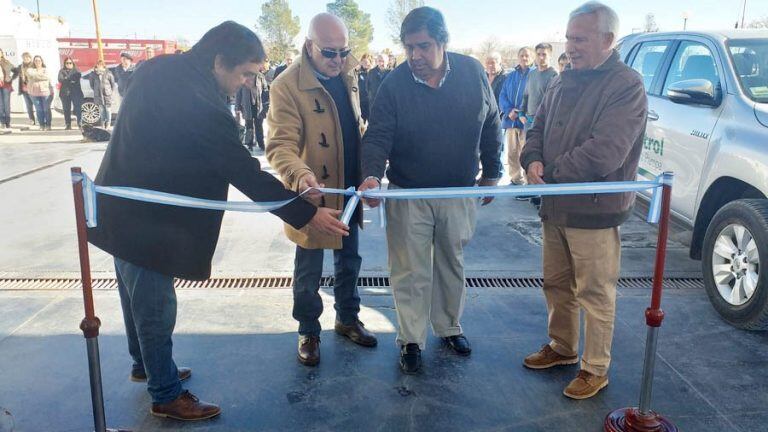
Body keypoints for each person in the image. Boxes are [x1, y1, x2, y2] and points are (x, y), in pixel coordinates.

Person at [87, 21, 346, 421]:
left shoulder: (158, 69)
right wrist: (307, 214)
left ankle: (147, 366)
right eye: (243, 73)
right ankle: (166, 393)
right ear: (218, 61)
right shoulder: (201, 104)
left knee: (133, 296)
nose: (245, 84)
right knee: (155, 307)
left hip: (119, 209)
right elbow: (243, 171)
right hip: (148, 223)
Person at [359, 6, 502, 375]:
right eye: (409, 48)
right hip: (409, 195)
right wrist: (373, 176)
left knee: (451, 264)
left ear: (442, 42)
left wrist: (492, 171)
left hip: (458, 193)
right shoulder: (394, 84)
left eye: (423, 46)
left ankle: (449, 327)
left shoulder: (471, 73)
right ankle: (410, 338)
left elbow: (491, 123)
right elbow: (377, 136)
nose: (415, 56)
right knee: (409, 269)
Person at [519, 1, 647, 400]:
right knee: (557, 284)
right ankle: (562, 347)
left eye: (579, 39)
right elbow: (536, 126)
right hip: (556, 206)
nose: (570, 46)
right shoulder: (561, 79)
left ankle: (595, 367)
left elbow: (606, 151)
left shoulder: (625, 85)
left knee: (595, 291)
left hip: (594, 210)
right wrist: (531, 157)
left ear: (608, 40)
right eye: (568, 38)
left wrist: (550, 172)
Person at [267, 13, 377, 367]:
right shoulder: (286, 85)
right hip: (313, 194)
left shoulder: (349, 75)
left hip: (349, 190)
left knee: (350, 260)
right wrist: (299, 176)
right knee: (308, 269)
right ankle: (308, 330)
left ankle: (347, 318)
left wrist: (370, 173)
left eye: (345, 52)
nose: (339, 60)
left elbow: (358, 128)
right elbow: (280, 145)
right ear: (309, 46)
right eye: (330, 53)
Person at [499, 47, 533, 184]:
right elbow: (503, 95)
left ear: (532, 58)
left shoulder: (534, 75)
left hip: (526, 122)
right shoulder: (511, 76)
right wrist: (509, 111)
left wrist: (520, 113)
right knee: (512, 153)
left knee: (526, 154)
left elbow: (533, 98)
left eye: (527, 56)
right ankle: (516, 180)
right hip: (511, 121)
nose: (524, 58)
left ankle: (528, 182)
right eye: (522, 55)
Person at [86, 60, 116, 128]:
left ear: (103, 66)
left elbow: (112, 84)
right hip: (98, 95)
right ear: (96, 66)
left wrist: (109, 91)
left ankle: (108, 124)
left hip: (107, 95)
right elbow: (92, 85)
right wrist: (97, 90)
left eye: (101, 65)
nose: (99, 67)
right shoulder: (93, 74)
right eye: (98, 66)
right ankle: (103, 123)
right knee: (102, 110)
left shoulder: (108, 73)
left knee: (108, 110)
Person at [25, 55, 52, 131]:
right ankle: (42, 125)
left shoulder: (45, 69)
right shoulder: (29, 70)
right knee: (39, 109)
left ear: (42, 61)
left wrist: (35, 76)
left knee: (46, 109)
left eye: (39, 60)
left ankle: (48, 125)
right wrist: (41, 76)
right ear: (34, 62)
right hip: (33, 93)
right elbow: (30, 75)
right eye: (36, 60)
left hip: (45, 92)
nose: (37, 62)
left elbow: (47, 77)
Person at [58, 57, 84, 130]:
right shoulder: (61, 71)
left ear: (73, 63)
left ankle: (80, 124)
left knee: (78, 109)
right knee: (66, 109)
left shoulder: (76, 71)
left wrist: (66, 78)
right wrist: (70, 80)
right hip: (65, 93)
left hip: (76, 93)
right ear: (65, 64)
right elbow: (60, 79)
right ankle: (68, 124)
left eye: (70, 63)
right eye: (67, 63)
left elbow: (76, 78)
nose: (69, 64)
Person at [11, 52, 36, 125]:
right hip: (24, 89)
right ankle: (32, 120)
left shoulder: (34, 66)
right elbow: (15, 73)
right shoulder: (20, 67)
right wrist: (10, 79)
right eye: (24, 58)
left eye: (27, 57)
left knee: (37, 105)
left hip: (33, 89)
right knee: (28, 106)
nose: (26, 59)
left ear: (30, 58)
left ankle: (41, 119)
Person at [485, 52, 507, 119]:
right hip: (484, 115)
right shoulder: (483, 77)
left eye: (492, 63)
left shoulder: (506, 78)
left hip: (499, 117)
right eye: (488, 63)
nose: (490, 65)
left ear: (499, 64)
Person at [0, 50, 13, 130]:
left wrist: (10, 78)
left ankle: (8, 121)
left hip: (6, 86)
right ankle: (2, 122)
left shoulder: (6, 62)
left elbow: (14, 71)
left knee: (6, 104)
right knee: (0, 105)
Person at [357, 53, 371, 122]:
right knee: (361, 123)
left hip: (370, 102)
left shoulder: (372, 73)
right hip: (360, 102)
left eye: (367, 62)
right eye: (364, 62)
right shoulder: (357, 73)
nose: (365, 63)